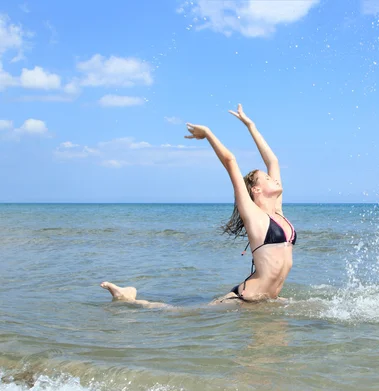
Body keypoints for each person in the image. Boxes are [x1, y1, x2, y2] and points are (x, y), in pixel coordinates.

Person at [100, 104, 296, 305]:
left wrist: (250, 125)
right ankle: (128, 299)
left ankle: (128, 298)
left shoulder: (278, 213)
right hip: (244, 300)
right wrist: (208, 133)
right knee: (178, 314)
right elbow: (230, 161)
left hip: (268, 300)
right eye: (267, 178)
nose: (275, 179)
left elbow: (273, 162)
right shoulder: (253, 214)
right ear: (255, 190)